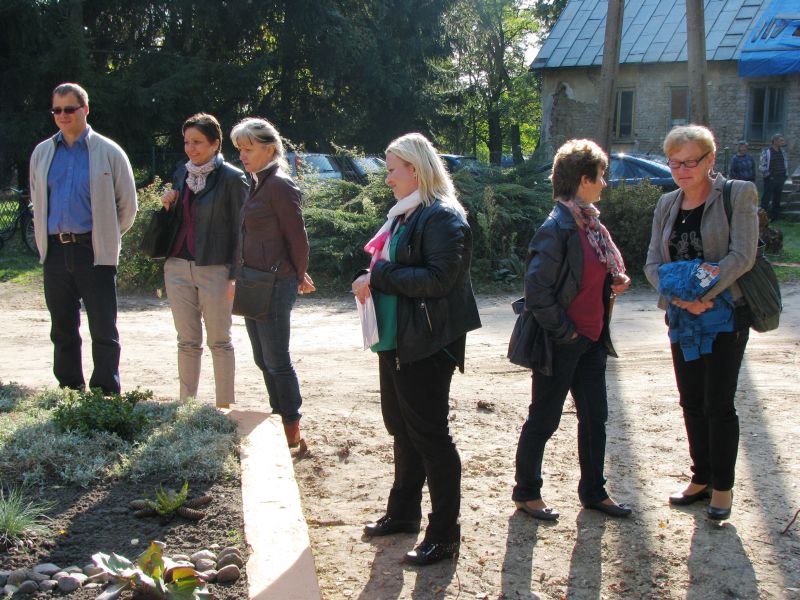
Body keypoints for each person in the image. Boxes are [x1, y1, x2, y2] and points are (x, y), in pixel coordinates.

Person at [352, 133, 481, 566]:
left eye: (392, 170)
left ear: (415, 169)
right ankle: (403, 513)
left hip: (428, 343)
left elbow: (438, 280)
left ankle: (444, 536)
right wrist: (373, 274)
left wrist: (378, 276)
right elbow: (393, 265)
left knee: (430, 437)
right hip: (397, 338)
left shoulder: (443, 216)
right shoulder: (405, 214)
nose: (387, 179)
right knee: (401, 428)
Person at [511, 139, 632, 521]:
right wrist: (567, 334)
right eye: (601, 176)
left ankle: (594, 492)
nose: (604, 183)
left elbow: (587, 275)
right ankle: (527, 492)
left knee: (595, 418)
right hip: (562, 342)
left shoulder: (591, 225)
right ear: (583, 179)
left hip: (592, 340)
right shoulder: (557, 228)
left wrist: (613, 282)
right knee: (544, 419)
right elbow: (538, 292)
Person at [645, 124, 758, 520]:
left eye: (690, 162)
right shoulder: (667, 204)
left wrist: (700, 293)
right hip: (683, 318)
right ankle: (701, 476)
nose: (681, 171)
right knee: (691, 400)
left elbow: (742, 256)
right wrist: (681, 298)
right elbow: (653, 263)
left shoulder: (737, 194)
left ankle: (722, 487)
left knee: (718, 403)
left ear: (710, 159)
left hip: (725, 316)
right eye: (674, 163)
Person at [29, 82, 137, 395]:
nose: (62, 115)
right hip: (55, 252)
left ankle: (105, 392)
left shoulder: (109, 152)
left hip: (94, 251)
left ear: (85, 109)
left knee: (103, 327)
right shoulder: (42, 153)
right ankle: (69, 390)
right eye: (56, 110)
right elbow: (37, 199)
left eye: (69, 109)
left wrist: (105, 236)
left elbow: (127, 206)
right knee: (62, 328)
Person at [229, 117, 315, 446]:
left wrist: (298, 274)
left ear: (269, 149)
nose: (242, 155)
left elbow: (298, 238)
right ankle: (278, 417)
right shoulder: (256, 182)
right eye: (240, 149)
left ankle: (291, 427)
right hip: (254, 281)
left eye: (248, 149)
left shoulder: (279, 184)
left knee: (277, 360)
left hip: (276, 284)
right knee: (262, 359)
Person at [159, 113, 248, 408]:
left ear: (215, 143)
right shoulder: (181, 173)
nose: (191, 148)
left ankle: (224, 407)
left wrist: (235, 274)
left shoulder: (232, 178)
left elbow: (241, 229)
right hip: (176, 265)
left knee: (219, 341)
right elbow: (178, 220)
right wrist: (168, 205)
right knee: (186, 341)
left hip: (215, 267)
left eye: (197, 142)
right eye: (187, 142)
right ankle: (187, 407)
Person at [759, 133, 789, 220]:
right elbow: (762, 166)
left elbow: (785, 164)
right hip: (770, 178)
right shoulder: (767, 152)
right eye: (781, 140)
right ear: (775, 141)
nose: (782, 142)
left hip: (780, 178)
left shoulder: (783, 152)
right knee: (766, 198)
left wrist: (785, 176)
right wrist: (768, 176)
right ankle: (762, 218)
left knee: (777, 198)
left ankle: (775, 217)